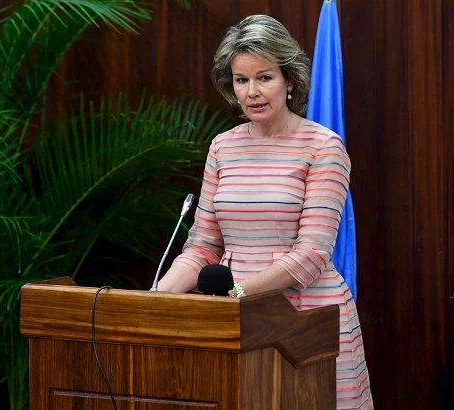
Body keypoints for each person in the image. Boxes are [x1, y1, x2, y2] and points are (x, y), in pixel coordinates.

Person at [157, 14, 374, 409]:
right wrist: (157, 301)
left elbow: (311, 255)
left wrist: (237, 294)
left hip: (306, 322)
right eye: (242, 80)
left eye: (265, 77)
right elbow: (203, 245)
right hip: (230, 322)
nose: (252, 92)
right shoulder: (223, 147)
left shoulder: (323, 146)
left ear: (289, 79)